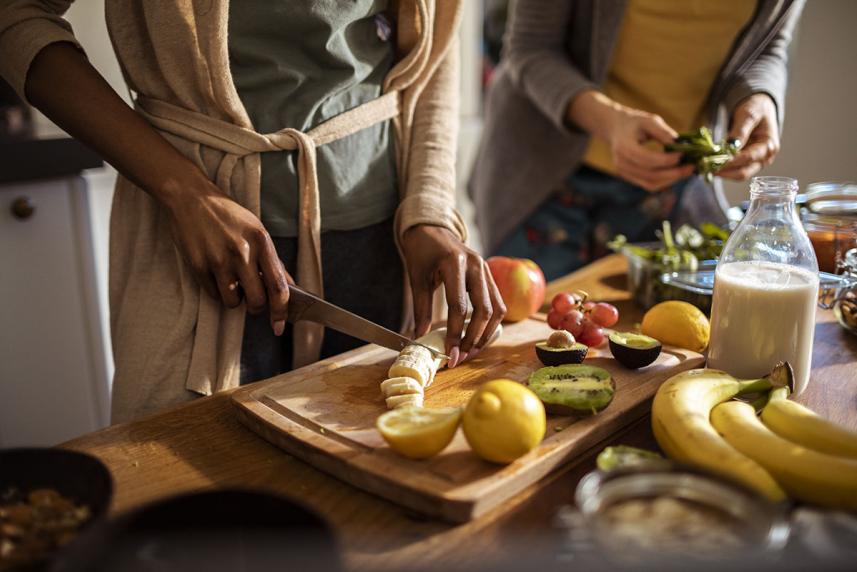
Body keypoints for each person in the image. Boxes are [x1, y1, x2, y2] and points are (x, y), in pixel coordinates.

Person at [0, 0, 505, 422]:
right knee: (187, 482)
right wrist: (184, 192)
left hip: (384, 247)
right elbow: (15, 14)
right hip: (197, 251)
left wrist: (429, 210)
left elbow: (436, 47)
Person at [470, 0, 805, 281]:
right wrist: (610, 122)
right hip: (542, 176)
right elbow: (530, 47)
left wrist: (760, 98)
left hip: (671, 187)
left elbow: (768, 47)